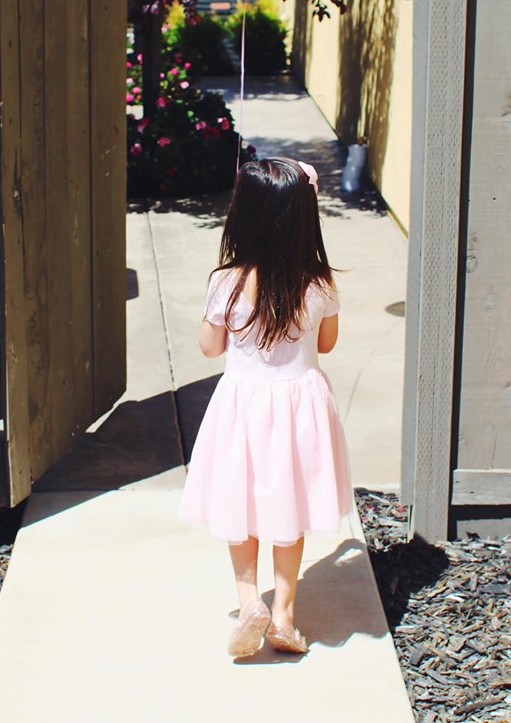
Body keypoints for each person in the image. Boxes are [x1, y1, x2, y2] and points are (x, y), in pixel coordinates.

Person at [179, 157, 352, 659]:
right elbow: (328, 342)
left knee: (242, 504)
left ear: (244, 216)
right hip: (300, 406)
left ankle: (250, 599)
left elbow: (211, 348)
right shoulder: (319, 284)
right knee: (289, 511)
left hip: (243, 405)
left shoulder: (226, 281)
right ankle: (286, 618)